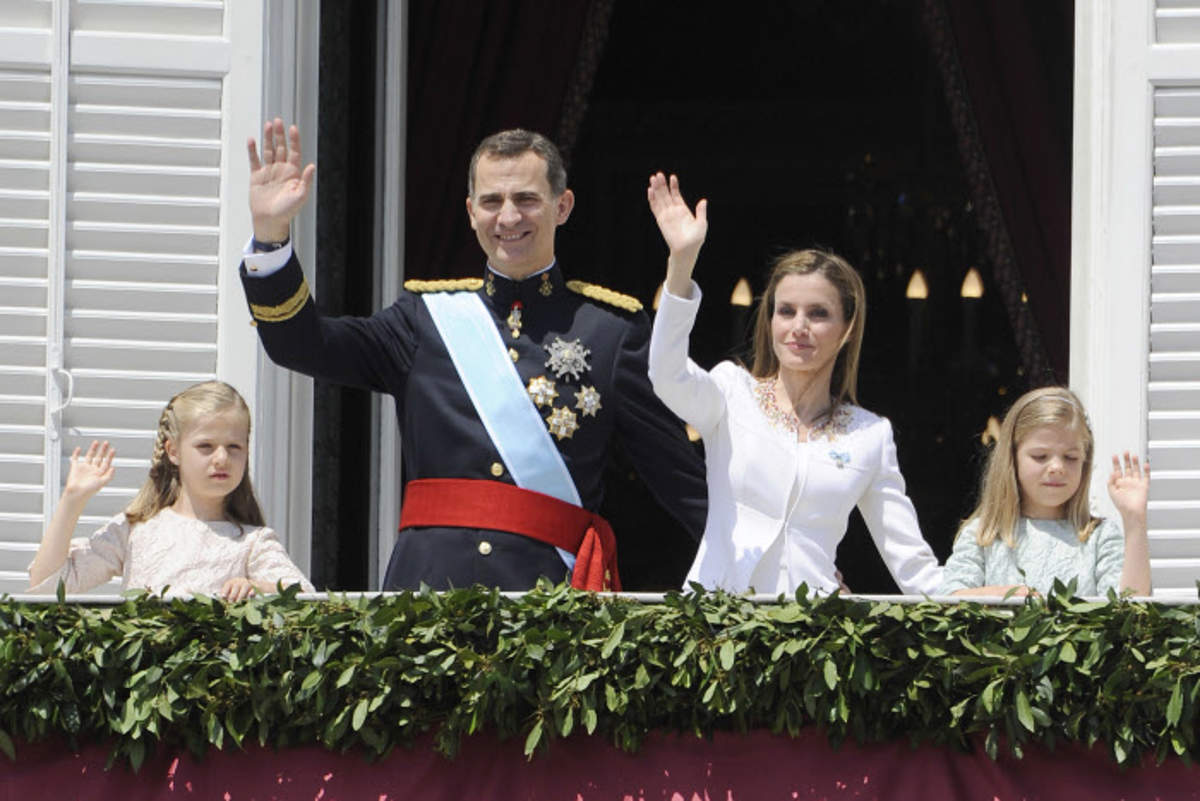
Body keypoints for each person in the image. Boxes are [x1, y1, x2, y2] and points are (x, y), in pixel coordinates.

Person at [238, 120, 707, 591]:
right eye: (491, 201)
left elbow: (681, 482)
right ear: (469, 211)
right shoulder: (423, 320)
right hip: (425, 601)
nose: (508, 218)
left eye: (526, 199)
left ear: (561, 206)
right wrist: (271, 236)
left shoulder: (610, 333)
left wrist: (763, 591)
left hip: (551, 608)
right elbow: (301, 345)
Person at [645, 173, 942, 595]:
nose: (799, 327)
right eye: (786, 311)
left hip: (813, 637)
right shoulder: (732, 393)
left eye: (818, 314)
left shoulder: (870, 435)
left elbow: (914, 567)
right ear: (769, 321)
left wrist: (986, 601)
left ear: (847, 328)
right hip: (715, 629)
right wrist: (682, 263)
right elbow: (666, 373)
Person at [28, 381, 314, 599]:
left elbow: (308, 601)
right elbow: (48, 586)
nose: (222, 458)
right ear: (173, 451)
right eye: (206, 446)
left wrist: (258, 588)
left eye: (234, 447)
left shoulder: (253, 542)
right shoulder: (134, 531)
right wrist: (72, 501)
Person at [938, 386, 1151, 597]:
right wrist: (1005, 597)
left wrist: (1134, 521)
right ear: (1012, 459)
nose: (1057, 467)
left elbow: (1130, 610)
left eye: (1070, 457)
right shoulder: (983, 534)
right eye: (1040, 456)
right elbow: (950, 601)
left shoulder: (1100, 537)